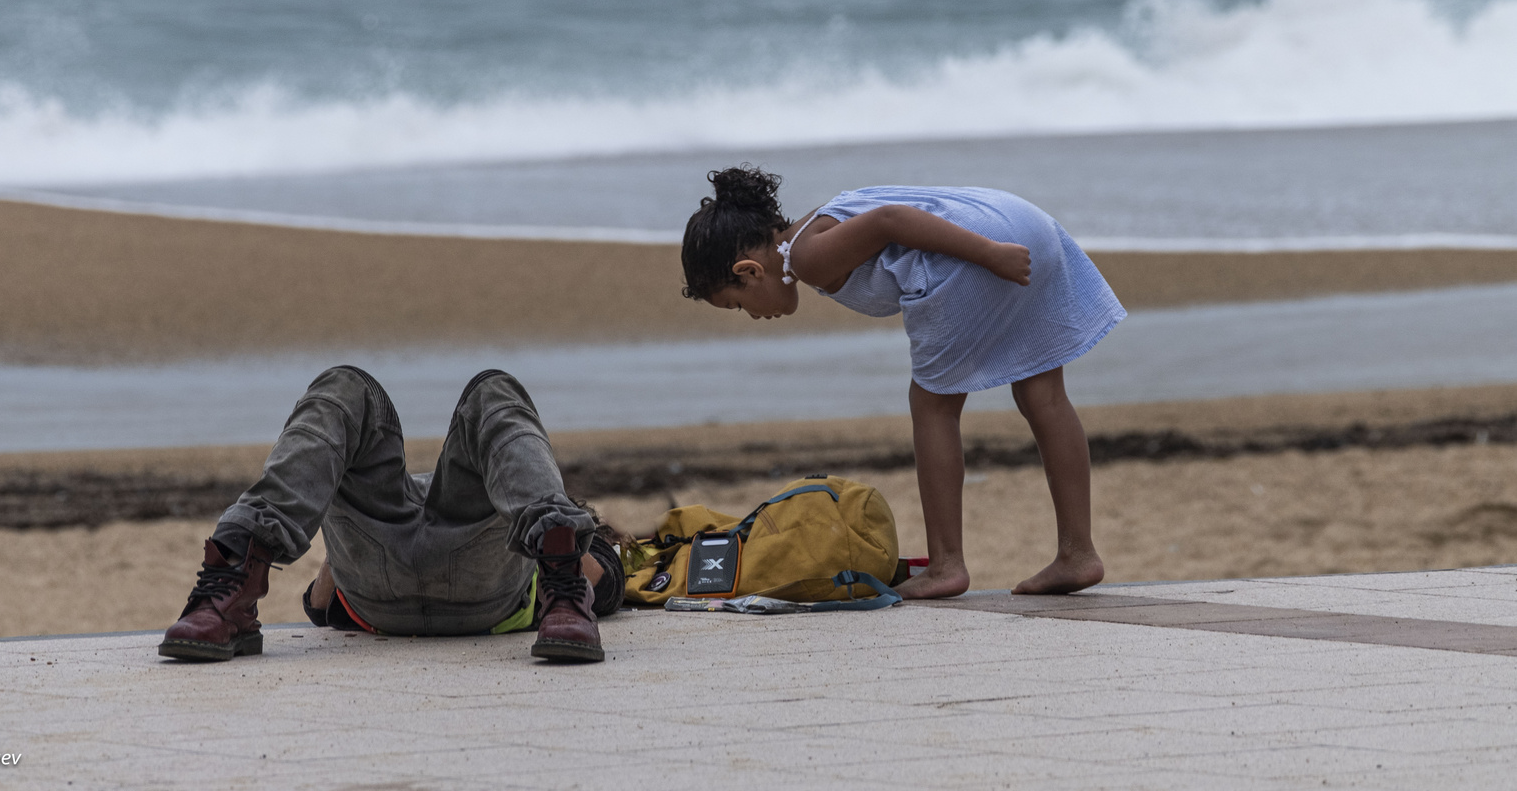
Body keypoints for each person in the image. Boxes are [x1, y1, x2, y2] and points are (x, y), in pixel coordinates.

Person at [681, 167, 1125, 599]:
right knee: (1041, 395)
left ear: (749, 271)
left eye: (737, 304)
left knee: (933, 406)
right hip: (1027, 225)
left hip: (986, 250)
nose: (755, 315)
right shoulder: (816, 222)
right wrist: (995, 246)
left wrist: (989, 253)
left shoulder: (807, 257)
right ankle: (1078, 553)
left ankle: (947, 564)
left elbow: (892, 220)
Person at [158, 366, 623, 663]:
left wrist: (339, 542)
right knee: (494, 394)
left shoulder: (358, 548)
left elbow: (321, 608)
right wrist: (560, 546)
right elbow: (607, 585)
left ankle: (229, 584)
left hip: (381, 587)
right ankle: (564, 596)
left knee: (343, 389)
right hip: (480, 584)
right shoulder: (525, 506)